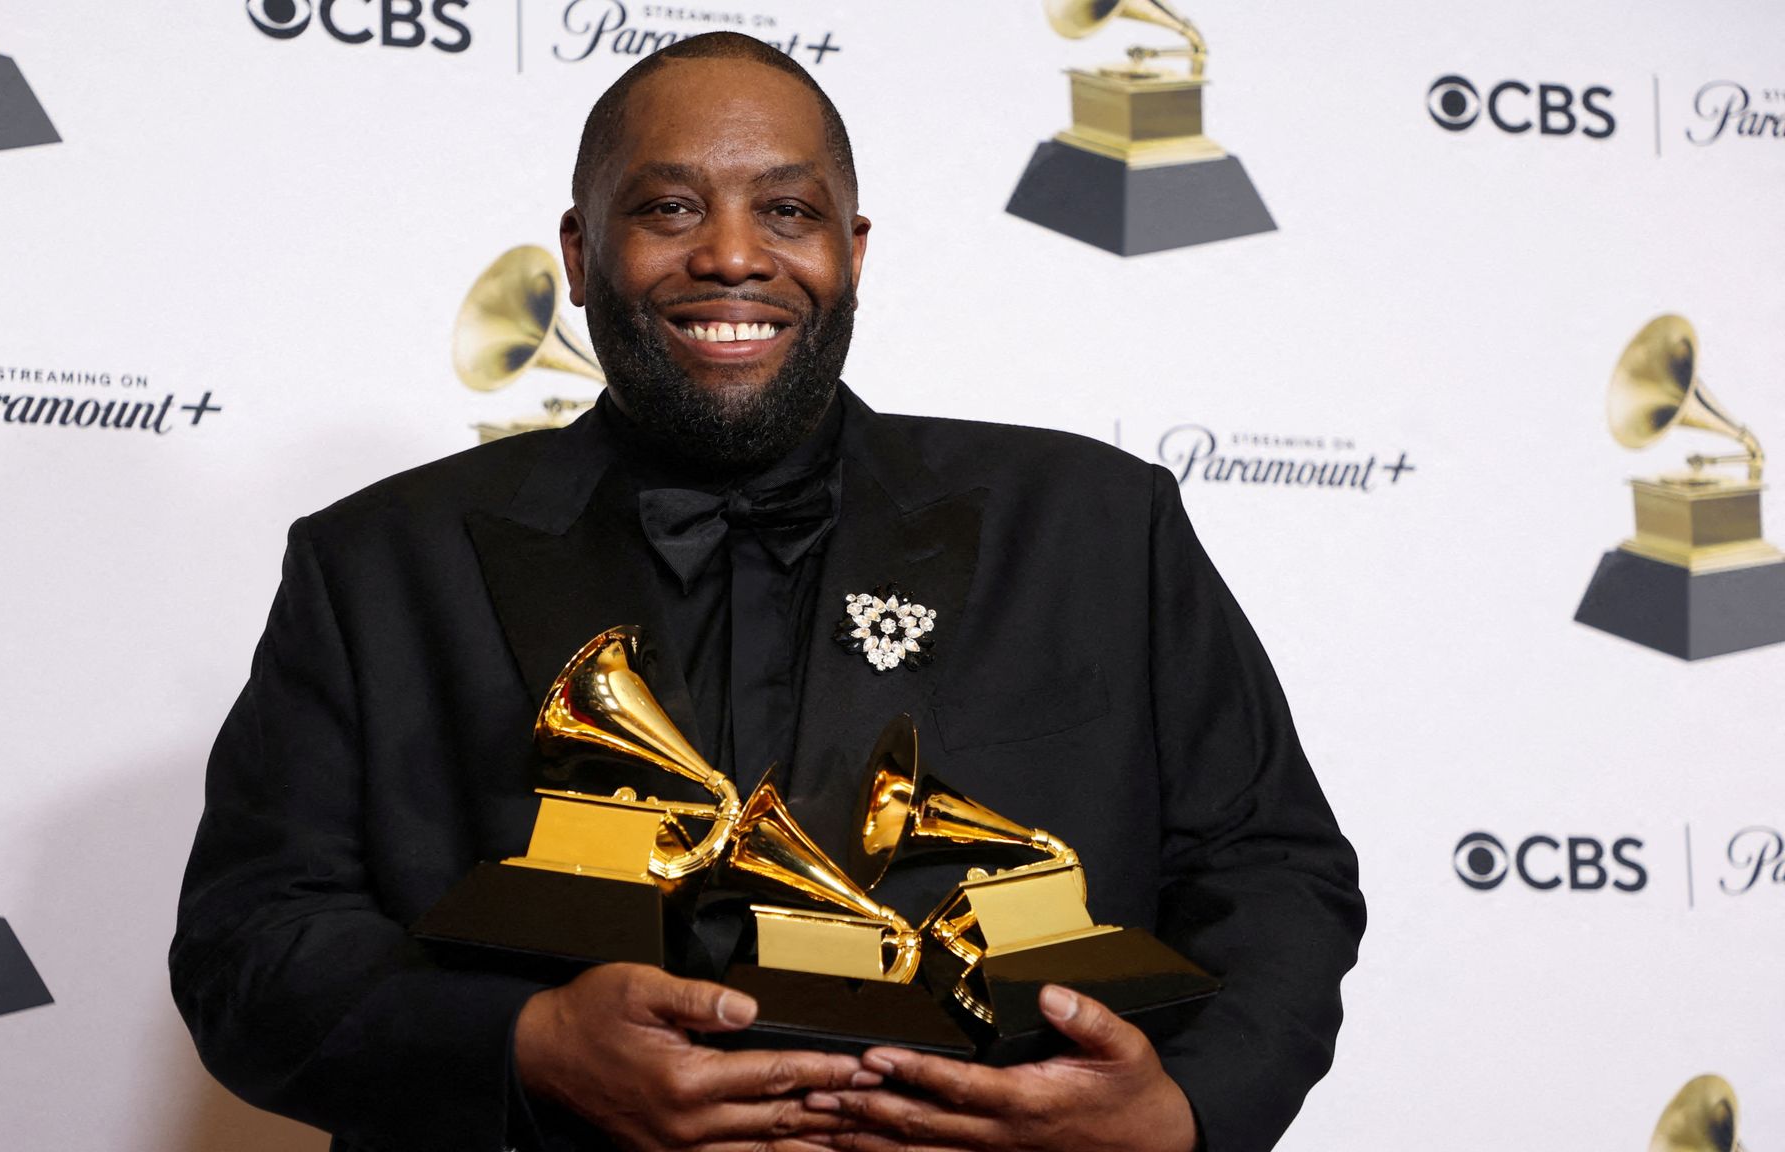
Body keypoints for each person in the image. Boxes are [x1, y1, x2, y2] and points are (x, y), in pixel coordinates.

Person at [170, 32, 1364, 1152]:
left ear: (851, 252)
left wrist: (1184, 1113)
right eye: (667, 207)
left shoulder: (1098, 526)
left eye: (785, 211)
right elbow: (250, 947)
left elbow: (1271, 872)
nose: (732, 254)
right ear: (581, 256)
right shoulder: (379, 562)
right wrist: (527, 1047)